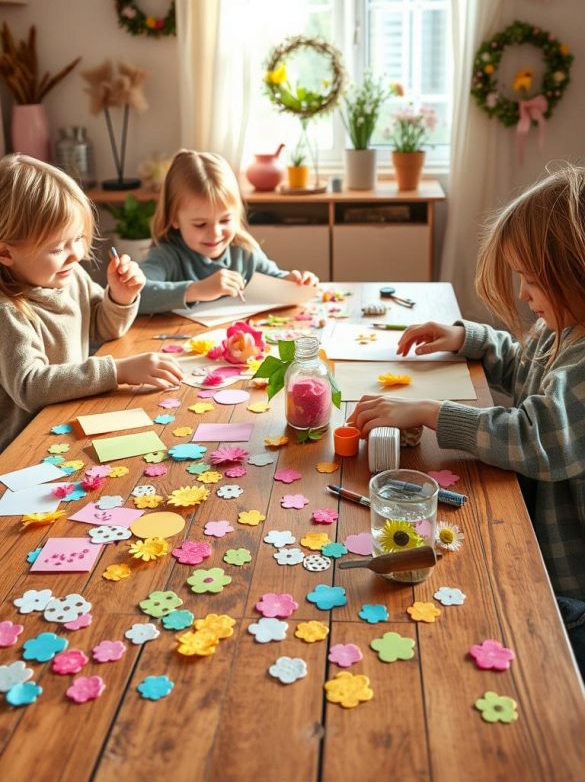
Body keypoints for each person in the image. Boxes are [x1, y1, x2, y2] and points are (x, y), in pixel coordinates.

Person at [349, 165, 585, 673]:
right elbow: (525, 367)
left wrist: (432, 411)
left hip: (572, 587)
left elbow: (535, 437)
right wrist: (466, 336)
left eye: (533, 279)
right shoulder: (562, 328)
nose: (522, 294)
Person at [0, 155, 182, 451]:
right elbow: (30, 387)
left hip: (65, 422)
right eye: (58, 247)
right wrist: (118, 371)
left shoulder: (71, 277)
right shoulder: (7, 311)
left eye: (78, 238)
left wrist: (120, 296)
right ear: (6, 253)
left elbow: (102, 326)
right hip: (23, 449)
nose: (75, 254)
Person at [139, 149, 319, 315]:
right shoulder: (166, 255)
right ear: (174, 218)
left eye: (225, 220)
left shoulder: (245, 251)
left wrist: (294, 281)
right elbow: (136, 295)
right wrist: (197, 290)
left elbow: (274, 278)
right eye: (200, 224)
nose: (215, 233)